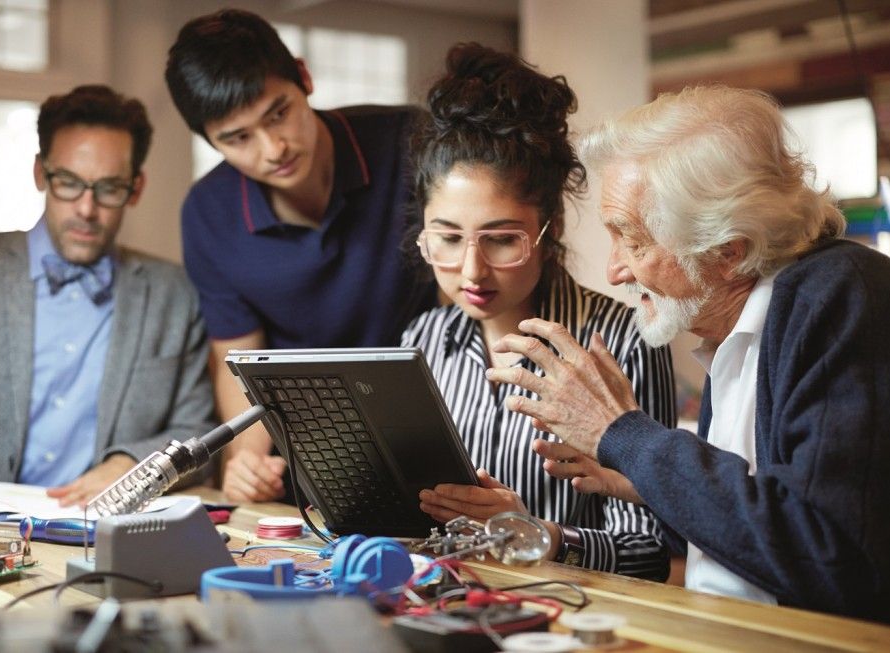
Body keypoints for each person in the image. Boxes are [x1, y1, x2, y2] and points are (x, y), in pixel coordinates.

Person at [485, 85, 890, 621]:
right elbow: (758, 529)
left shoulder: (838, 296)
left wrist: (626, 436)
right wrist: (645, 481)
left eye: (633, 239)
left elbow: (829, 558)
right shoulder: (736, 330)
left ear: (729, 251)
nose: (615, 272)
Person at [404, 44, 676, 579]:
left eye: (502, 240)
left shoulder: (618, 340)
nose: (472, 271)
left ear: (547, 230)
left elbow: (656, 552)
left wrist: (539, 535)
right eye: (449, 238)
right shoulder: (424, 339)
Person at [164, 9, 435, 503]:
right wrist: (246, 459)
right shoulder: (209, 212)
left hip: (433, 416)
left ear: (304, 78)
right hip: (310, 447)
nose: (273, 148)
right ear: (210, 141)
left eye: (278, 113)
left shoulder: (410, 144)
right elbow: (236, 355)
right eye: (238, 138)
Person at [0, 85, 217, 505]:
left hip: (98, 532)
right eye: (69, 183)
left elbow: (197, 431)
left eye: (109, 188)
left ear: (136, 187)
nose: (87, 209)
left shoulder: (174, 293)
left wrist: (132, 462)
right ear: (41, 173)